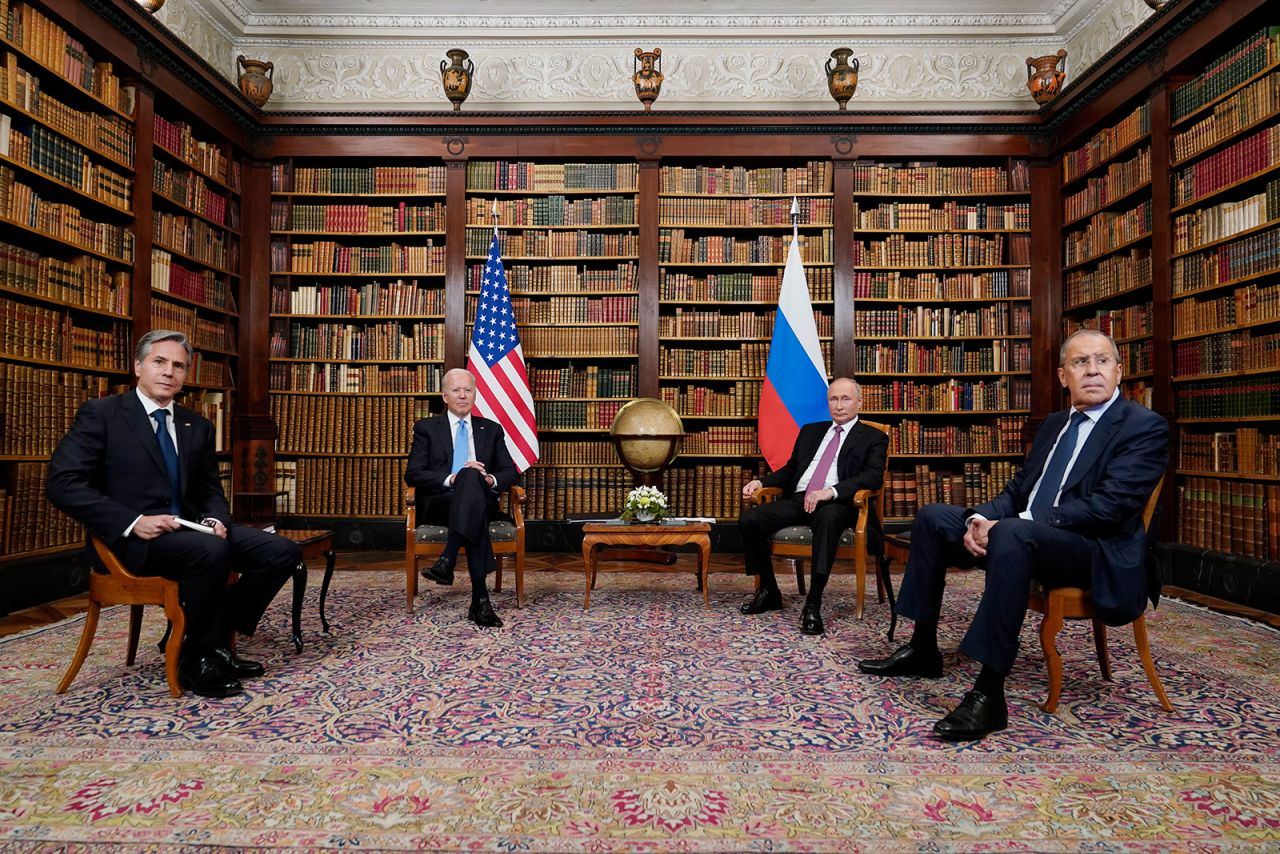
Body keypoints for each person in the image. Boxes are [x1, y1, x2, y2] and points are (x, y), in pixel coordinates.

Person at [858, 329, 1169, 741]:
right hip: (1028, 531)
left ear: (1118, 370)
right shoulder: (1055, 425)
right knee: (934, 516)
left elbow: (1108, 508)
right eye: (1080, 363)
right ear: (1063, 376)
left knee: (1014, 535)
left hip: (1093, 548)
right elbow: (1018, 490)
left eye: (1102, 361)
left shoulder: (1143, 426)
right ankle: (923, 648)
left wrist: (1013, 524)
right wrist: (978, 521)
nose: (1092, 370)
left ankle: (989, 694)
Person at [47, 330, 300, 698]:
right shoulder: (102, 414)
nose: (169, 372)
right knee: (211, 552)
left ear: (186, 374)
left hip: (189, 530)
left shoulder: (195, 425)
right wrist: (133, 522)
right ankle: (195, 658)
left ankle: (208, 641)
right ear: (138, 367)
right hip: (133, 542)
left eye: (178, 365)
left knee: (280, 552)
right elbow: (63, 483)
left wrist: (216, 520)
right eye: (159, 362)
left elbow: (210, 490)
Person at [739, 377, 888, 635]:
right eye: (833, 399)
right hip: (800, 498)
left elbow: (873, 477)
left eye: (846, 399)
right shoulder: (811, 430)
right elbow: (790, 471)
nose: (839, 405)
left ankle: (813, 603)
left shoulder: (873, 437)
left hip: (839, 503)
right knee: (751, 520)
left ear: (859, 402)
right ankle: (769, 591)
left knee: (828, 519)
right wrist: (760, 481)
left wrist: (829, 492)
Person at [405, 367, 518, 628]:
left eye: (468, 390)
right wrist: (453, 478)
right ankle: (480, 601)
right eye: (456, 390)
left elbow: (510, 472)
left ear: (475, 394)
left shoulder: (491, 429)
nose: (463, 395)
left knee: (473, 479)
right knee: (467, 478)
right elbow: (413, 474)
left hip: (481, 500)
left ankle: (448, 558)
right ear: (445, 396)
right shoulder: (426, 428)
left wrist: (490, 479)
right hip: (440, 503)